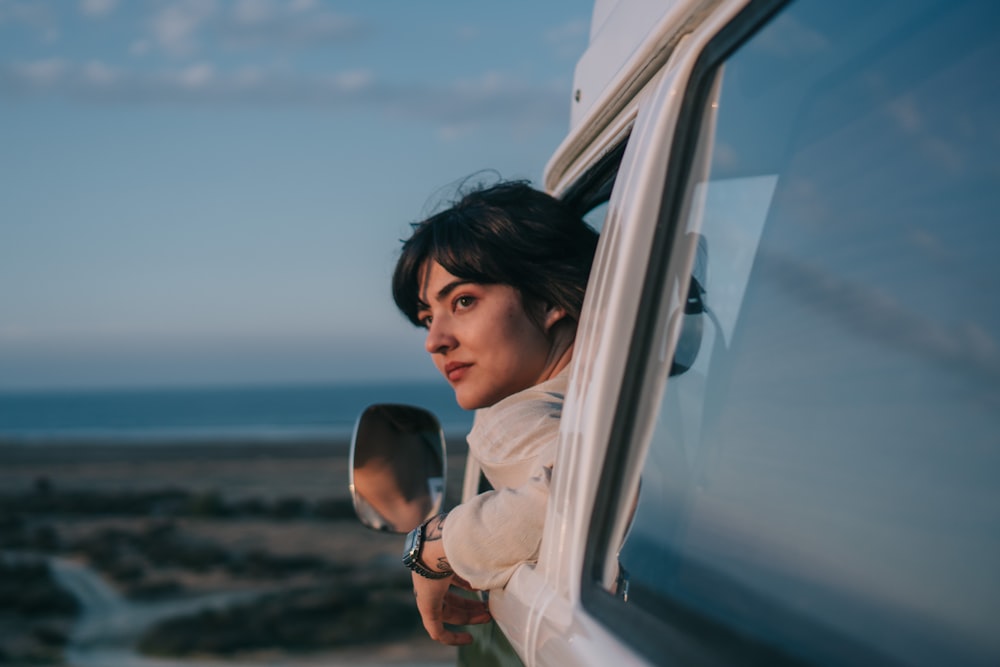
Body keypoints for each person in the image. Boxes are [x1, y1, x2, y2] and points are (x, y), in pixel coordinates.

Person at [390, 179, 599, 645]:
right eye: (427, 318)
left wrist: (438, 544)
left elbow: (588, 495)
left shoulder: (516, 418)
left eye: (463, 301)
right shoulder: (636, 390)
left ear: (549, 300)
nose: (434, 341)